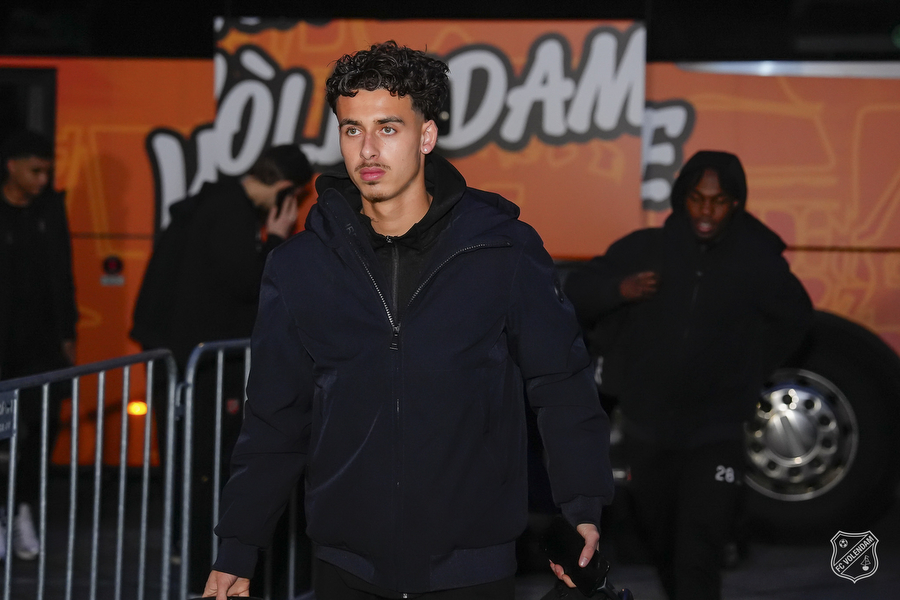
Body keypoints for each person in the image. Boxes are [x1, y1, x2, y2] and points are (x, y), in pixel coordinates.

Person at [203, 41, 614, 600]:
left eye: (388, 128)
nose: (368, 149)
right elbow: (275, 418)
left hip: (472, 568)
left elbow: (560, 384)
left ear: (426, 136)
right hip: (346, 567)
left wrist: (582, 504)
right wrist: (238, 543)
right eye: (352, 129)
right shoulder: (298, 266)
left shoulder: (503, 251)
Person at [565, 150, 813, 600]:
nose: (706, 211)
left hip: (716, 431)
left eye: (718, 201)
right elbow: (577, 291)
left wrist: (752, 369)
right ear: (682, 198)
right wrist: (619, 289)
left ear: (735, 203)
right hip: (648, 428)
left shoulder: (756, 259)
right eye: (698, 198)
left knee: (700, 546)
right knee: (661, 541)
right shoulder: (646, 248)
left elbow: (797, 317)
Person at [130, 143, 313, 590]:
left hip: (183, 362)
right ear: (284, 189)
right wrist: (276, 238)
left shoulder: (210, 204)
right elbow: (247, 283)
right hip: (202, 369)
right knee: (208, 465)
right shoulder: (230, 213)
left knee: (194, 463)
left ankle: (195, 554)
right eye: (296, 197)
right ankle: (204, 562)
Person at [0, 130, 78, 561]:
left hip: (42, 345)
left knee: (40, 430)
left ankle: (20, 509)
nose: (43, 180)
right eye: (35, 171)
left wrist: (68, 336)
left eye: (47, 171)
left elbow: (63, 276)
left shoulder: (50, 209)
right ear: (11, 166)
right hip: (5, 344)